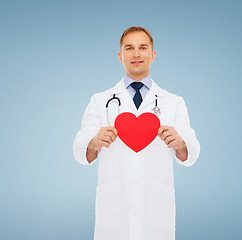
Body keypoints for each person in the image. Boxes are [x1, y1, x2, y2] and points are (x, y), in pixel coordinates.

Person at [73, 26, 200, 240]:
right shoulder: (100, 100)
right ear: (120, 56)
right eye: (129, 48)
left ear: (153, 54)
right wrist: (93, 143)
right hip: (114, 210)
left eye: (143, 47)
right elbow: (80, 147)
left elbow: (192, 150)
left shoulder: (173, 102)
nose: (136, 53)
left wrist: (181, 143)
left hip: (156, 210)